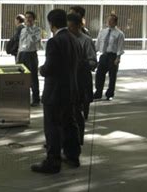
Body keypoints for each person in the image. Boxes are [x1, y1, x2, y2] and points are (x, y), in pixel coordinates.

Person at [31, 9, 82, 174]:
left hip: (55, 92)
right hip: (70, 89)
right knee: (69, 123)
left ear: (51, 23)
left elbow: (50, 67)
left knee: (52, 126)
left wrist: (41, 70)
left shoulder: (55, 41)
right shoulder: (74, 39)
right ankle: (73, 155)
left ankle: (53, 162)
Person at [67, 13, 97, 144]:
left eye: (72, 27)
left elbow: (93, 62)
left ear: (79, 26)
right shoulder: (66, 38)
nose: (70, 29)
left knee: (77, 113)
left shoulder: (86, 40)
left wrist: (79, 63)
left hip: (80, 81)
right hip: (67, 81)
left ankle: (78, 139)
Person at [93, 14, 125, 101]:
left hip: (113, 56)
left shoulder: (119, 34)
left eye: (111, 20)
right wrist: (94, 53)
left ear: (115, 22)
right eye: (108, 20)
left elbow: (120, 47)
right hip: (104, 55)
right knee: (99, 74)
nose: (109, 22)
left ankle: (110, 93)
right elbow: (98, 43)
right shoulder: (102, 32)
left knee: (112, 76)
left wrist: (118, 58)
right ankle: (98, 92)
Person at [17, 11, 41, 107]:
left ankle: (36, 99)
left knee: (33, 77)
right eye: (26, 17)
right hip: (22, 54)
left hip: (31, 54)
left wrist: (29, 29)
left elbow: (34, 40)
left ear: (34, 19)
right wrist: (18, 57)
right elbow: (20, 43)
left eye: (30, 17)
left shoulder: (37, 29)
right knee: (22, 76)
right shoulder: (22, 30)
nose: (27, 19)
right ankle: (23, 98)